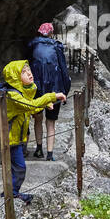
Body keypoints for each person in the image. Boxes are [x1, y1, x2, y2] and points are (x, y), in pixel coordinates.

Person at [2, 59, 66, 204]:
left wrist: (44, 104)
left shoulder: (19, 93)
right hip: (10, 139)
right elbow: (30, 105)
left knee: (15, 168)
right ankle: (11, 194)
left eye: (29, 70)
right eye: (24, 72)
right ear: (16, 78)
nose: (29, 74)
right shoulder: (13, 95)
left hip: (18, 138)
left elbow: (30, 108)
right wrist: (52, 96)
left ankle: (10, 193)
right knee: (19, 168)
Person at [27, 22, 71, 162]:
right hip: (55, 88)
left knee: (38, 119)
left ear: (39, 32)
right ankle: (50, 154)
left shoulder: (32, 46)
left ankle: (39, 149)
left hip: (37, 89)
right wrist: (65, 90)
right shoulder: (57, 47)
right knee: (51, 122)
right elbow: (63, 70)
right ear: (51, 33)